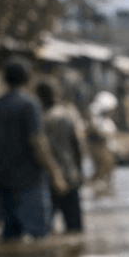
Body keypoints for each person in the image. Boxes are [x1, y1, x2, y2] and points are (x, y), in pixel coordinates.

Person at [0, 61, 67, 240]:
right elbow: (38, 141)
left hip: (2, 178)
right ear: (27, 78)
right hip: (29, 180)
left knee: (10, 235)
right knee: (38, 235)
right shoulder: (29, 104)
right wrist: (54, 171)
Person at [36, 81, 86, 233]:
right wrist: (79, 170)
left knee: (46, 227)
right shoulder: (67, 114)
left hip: (48, 175)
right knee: (74, 227)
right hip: (69, 173)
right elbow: (78, 145)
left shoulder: (39, 117)